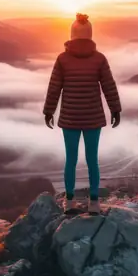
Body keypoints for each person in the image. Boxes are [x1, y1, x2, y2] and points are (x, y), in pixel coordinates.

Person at [43, 13, 121, 214]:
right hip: (93, 118)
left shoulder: (62, 59)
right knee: (92, 159)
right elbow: (108, 86)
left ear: (72, 35)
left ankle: (69, 202)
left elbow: (54, 88)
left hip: (69, 118)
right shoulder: (99, 59)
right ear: (90, 35)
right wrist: (115, 109)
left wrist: (49, 111)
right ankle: (94, 203)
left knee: (71, 159)